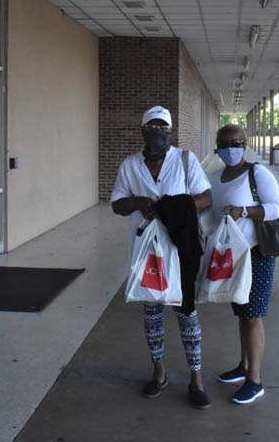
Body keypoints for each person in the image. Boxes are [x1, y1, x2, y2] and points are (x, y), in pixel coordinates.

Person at [110, 105, 213, 409]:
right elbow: (117, 204)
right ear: (143, 130)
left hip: (180, 251)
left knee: (186, 315)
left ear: (171, 131)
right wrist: (137, 202)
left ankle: (196, 379)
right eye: (153, 127)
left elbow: (206, 198)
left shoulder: (184, 160)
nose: (159, 132)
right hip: (147, 252)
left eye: (164, 128)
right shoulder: (130, 166)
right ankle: (159, 373)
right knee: (152, 315)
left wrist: (172, 206)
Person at [208, 123, 279, 405]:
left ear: (245, 145)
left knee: (253, 316)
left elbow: (276, 208)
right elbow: (212, 214)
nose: (231, 148)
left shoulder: (257, 173)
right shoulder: (215, 179)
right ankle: (243, 365)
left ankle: (255, 380)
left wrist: (245, 211)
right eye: (226, 143)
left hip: (257, 253)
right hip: (232, 254)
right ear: (217, 147)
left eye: (237, 143)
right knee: (242, 312)